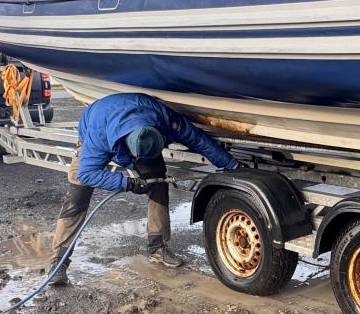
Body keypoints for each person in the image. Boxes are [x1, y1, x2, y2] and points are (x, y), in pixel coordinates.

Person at [49, 92, 243, 286]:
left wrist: (231, 165)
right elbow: (87, 174)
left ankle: (157, 248)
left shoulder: (166, 119)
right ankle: (58, 263)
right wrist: (128, 183)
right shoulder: (97, 135)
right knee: (76, 198)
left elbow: (198, 140)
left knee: (158, 183)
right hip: (99, 131)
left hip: (137, 124)